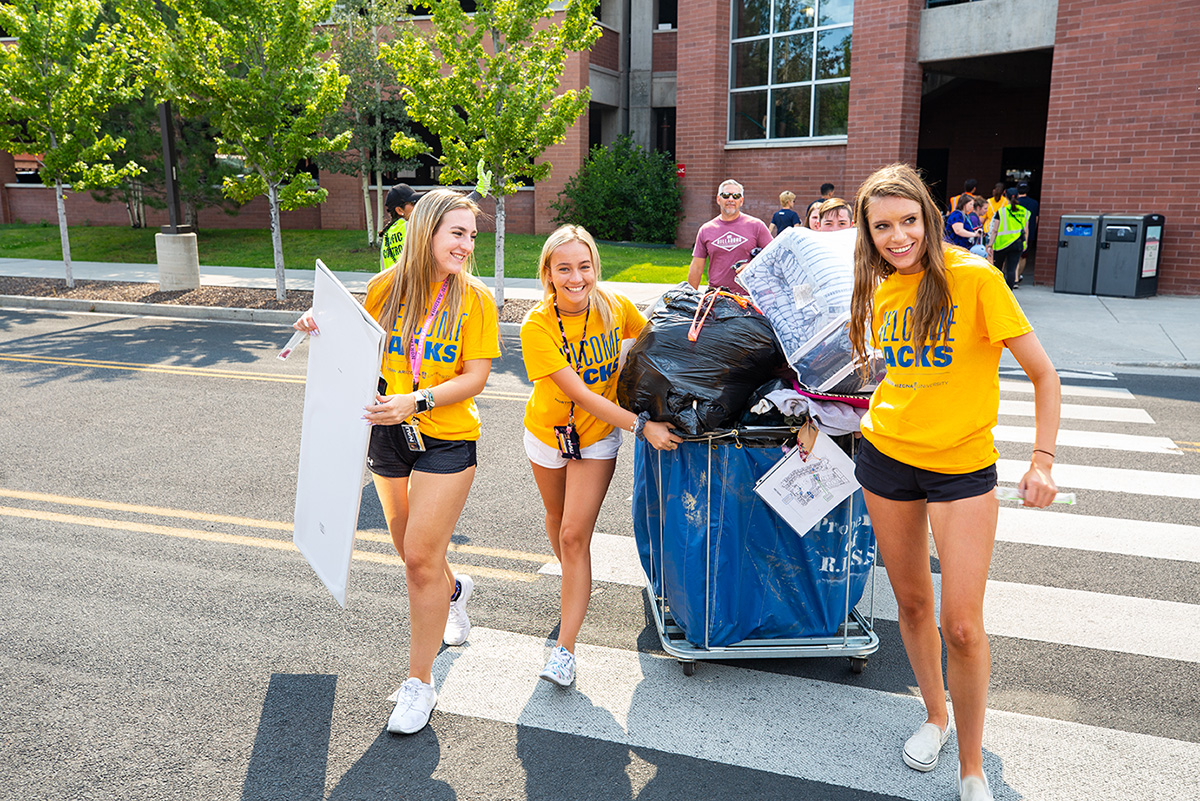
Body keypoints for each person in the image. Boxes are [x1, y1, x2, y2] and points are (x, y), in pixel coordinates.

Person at [848, 163, 1060, 801]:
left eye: (908, 221)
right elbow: (893, 378)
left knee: (962, 625)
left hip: (963, 467)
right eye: (882, 226)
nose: (897, 236)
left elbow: (1045, 376)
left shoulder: (975, 278)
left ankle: (972, 768)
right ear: (870, 233)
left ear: (928, 219)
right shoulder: (880, 290)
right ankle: (934, 718)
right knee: (911, 605)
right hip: (885, 459)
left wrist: (1042, 459)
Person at [294, 189, 500, 735]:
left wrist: (419, 400)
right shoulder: (386, 287)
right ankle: (454, 593)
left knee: (417, 560)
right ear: (426, 230)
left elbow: (476, 378)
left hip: (446, 437)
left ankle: (419, 684)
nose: (466, 244)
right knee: (413, 550)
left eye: (471, 235)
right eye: (456, 232)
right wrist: (320, 322)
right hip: (387, 434)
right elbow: (358, 340)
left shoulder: (474, 299)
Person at [520, 225, 682, 687]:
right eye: (564, 268)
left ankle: (565, 650)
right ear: (548, 274)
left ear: (595, 267)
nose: (576, 277)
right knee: (556, 520)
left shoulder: (614, 307)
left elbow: (659, 341)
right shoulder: (536, 326)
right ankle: (576, 583)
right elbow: (578, 393)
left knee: (574, 536)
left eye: (584, 266)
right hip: (547, 435)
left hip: (595, 441)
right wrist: (641, 426)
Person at [688, 179, 773, 295]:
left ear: (741, 201)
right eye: (726, 195)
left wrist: (752, 266)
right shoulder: (706, 230)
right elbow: (697, 267)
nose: (731, 199)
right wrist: (689, 297)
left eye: (736, 196)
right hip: (717, 297)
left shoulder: (756, 226)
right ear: (718, 199)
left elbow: (774, 257)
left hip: (749, 298)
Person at [987, 187, 1030, 288]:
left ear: (1006, 197)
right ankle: (1009, 292)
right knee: (1011, 269)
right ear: (1018, 196)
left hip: (1001, 243)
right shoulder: (1024, 212)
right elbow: (1026, 230)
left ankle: (997, 289)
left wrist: (990, 244)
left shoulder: (1001, 211)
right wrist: (1025, 243)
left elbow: (994, 230)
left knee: (998, 269)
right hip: (1017, 243)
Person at [379, 183, 423, 271]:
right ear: (399, 210)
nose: (418, 206)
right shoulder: (411, 227)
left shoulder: (387, 234)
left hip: (391, 284)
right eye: (413, 203)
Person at [1014, 182, 1040, 284]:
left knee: (1013, 256)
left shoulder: (1014, 203)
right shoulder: (1034, 203)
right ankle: (1019, 275)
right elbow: (1037, 218)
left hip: (1014, 233)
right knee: (1023, 256)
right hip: (1029, 233)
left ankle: (1014, 277)